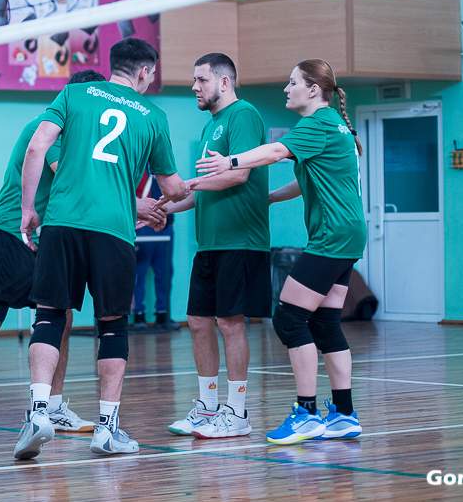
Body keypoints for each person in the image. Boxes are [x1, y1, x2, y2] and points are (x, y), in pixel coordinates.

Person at [14, 37, 188, 459]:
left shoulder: (74, 94)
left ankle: (38, 413)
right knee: (112, 326)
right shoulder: (153, 115)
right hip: (114, 230)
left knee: (49, 317)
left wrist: (28, 209)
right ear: (144, 72)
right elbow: (171, 188)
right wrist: (188, 189)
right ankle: (106, 429)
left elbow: (37, 146)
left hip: (63, 222)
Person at [196, 58, 366, 444]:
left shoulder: (318, 124)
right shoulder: (335, 125)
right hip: (348, 235)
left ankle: (306, 413)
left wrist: (230, 161)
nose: (286, 89)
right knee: (325, 322)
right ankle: (343, 413)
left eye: (292, 83)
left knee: (289, 318)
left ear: (313, 89)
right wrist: (271, 197)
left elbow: (273, 152)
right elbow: (309, 181)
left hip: (332, 236)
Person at [0, 71, 109, 434]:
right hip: (9, 230)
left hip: (39, 238)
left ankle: (54, 406)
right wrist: (127, 202)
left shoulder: (75, 132)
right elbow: (70, 178)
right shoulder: (49, 126)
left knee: (59, 314)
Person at [157, 53, 271, 439]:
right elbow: (202, 191)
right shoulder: (210, 126)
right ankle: (207, 407)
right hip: (209, 243)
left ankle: (236, 413)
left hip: (241, 240)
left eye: (201, 80)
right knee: (197, 321)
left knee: (230, 323)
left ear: (224, 82)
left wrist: (186, 184)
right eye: (194, 80)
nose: (194, 87)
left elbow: (238, 175)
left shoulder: (244, 115)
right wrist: (162, 208)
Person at [132, 170, 178, 331]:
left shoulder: (166, 167)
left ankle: (163, 313)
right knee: (139, 272)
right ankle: (138, 314)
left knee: (164, 273)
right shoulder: (138, 163)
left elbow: (174, 190)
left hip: (165, 225)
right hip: (142, 223)